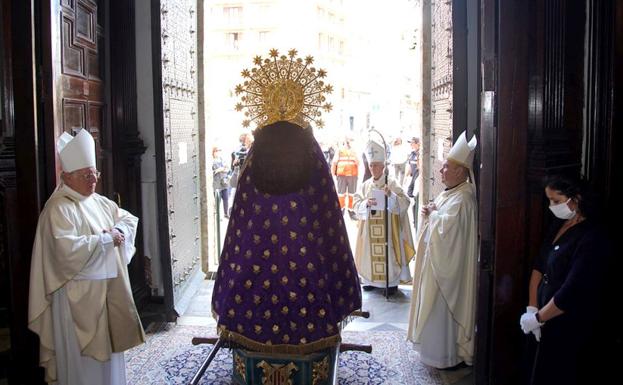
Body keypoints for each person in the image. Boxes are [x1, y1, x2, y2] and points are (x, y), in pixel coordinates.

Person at [211, 121, 362, 354]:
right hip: (306, 255)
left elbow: (242, 213)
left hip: (257, 255)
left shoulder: (257, 151)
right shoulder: (311, 150)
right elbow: (327, 213)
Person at [28, 129, 145, 384]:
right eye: (85, 175)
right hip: (75, 303)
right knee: (83, 370)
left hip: (105, 296)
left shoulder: (97, 201)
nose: (93, 180)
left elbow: (126, 218)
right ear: (67, 176)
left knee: (110, 368)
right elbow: (64, 251)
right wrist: (105, 240)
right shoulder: (58, 209)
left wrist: (119, 230)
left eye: (95, 174)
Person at [519, 175, 610, 385]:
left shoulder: (592, 236)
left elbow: (573, 289)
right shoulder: (559, 224)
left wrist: (540, 317)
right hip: (541, 315)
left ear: (576, 198)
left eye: (557, 201)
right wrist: (532, 308)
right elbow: (538, 266)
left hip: (564, 320)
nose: (552, 206)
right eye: (549, 201)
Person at [407, 131, 478, 369]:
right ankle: (433, 352)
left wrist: (434, 214)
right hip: (436, 266)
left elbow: (451, 230)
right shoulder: (454, 193)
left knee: (440, 313)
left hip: (446, 273)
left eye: (446, 167)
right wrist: (435, 210)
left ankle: (444, 356)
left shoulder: (465, 198)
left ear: (460, 171)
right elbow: (443, 217)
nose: (440, 171)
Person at [352, 140, 415, 296]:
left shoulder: (391, 182)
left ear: (383, 166)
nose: (373, 169)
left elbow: (405, 202)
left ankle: (390, 282)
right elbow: (356, 203)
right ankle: (370, 281)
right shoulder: (365, 185)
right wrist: (366, 203)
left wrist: (390, 195)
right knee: (369, 253)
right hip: (369, 230)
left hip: (388, 229)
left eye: (376, 165)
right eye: (371, 165)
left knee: (388, 253)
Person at [331, 138, 359, 220]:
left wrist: (354, 154)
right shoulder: (339, 150)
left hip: (353, 175)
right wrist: (333, 174)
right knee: (341, 194)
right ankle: (341, 210)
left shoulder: (355, 150)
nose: (348, 142)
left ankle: (351, 210)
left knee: (352, 194)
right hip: (342, 175)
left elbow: (358, 163)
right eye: (347, 140)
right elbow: (334, 162)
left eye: (350, 140)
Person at [406, 137, 421, 230]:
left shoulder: (420, 154)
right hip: (412, 183)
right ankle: (415, 222)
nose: (411, 145)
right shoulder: (411, 154)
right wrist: (406, 179)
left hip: (417, 182)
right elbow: (409, 168)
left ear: (417, 143)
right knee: (412, 201)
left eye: (412, 143)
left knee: (416, 201)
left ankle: (416, 222)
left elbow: (420, 168)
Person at [212, 146, 230, 218]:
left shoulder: (222, 159)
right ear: (213, 152)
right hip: (216, 184)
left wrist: (222, 169)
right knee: (217, 201)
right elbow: (212, 173)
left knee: (226, 198)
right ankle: (217, 216)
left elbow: (228, 169)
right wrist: (218, 170)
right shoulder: (211, 161)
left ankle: (226, 213)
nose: (218, 152)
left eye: (219, 150)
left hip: (224, 182)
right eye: (216, 151)